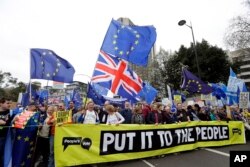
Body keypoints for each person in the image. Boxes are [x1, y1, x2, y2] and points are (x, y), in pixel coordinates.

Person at [0, 98, 12, 166]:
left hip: (3, 136)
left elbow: (10, 122)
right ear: (1, 103)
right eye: (7, 103)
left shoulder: (10, 112)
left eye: (9, 103)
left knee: (2, 153)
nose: (9, 105)